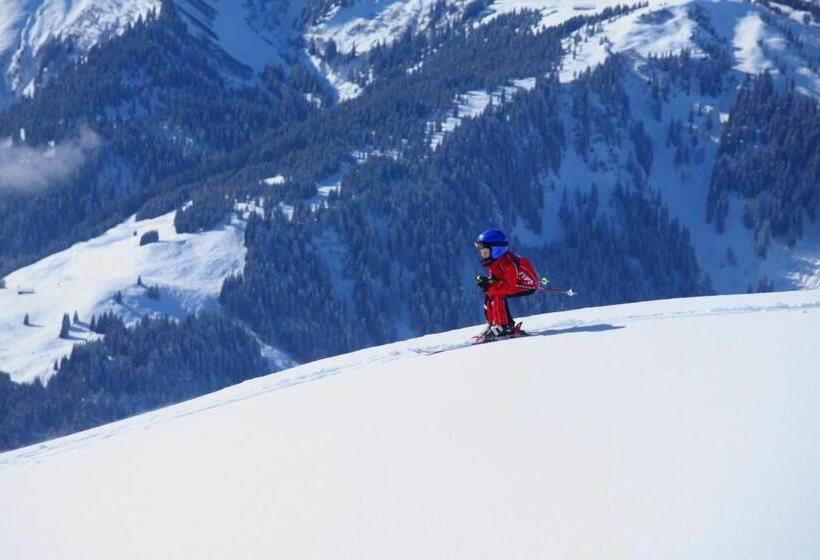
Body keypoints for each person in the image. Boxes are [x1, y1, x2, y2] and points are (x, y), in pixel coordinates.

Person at [474, 229, 538, 339]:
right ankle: (493, 324)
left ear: (496, 250)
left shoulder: (508, 263)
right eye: (481, 251)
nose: (482, 254)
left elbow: (507, 284)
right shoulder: (495, 261)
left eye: (485, 251)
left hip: (526, 285)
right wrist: (487, 282)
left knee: (498, 294)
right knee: (490, 294)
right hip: (512, 282)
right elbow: (496, 279)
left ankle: (504, 326)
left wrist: (490, 286)